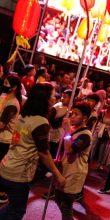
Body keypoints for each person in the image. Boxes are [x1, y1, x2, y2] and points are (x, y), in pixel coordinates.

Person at [0, 83, 65, 220]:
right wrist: (58, 174)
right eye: (53, 95)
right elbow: (44, 153)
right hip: (19, 173)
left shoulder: (24, 114)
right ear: (45, 98)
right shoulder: (41, 122)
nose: (55, 98)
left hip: (7, 165)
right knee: (17, 210)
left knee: (13, 206)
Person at [55, 102, 92, 220]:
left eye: (76, 114)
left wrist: (66, 130)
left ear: (85, 118)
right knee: (57, 198)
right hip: (65, 170)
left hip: (75, 174)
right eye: (72, 113)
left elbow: (69, 150)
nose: (72, 116)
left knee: (66, 206)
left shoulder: (85, 135)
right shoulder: (73, 130)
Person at [0, 74, 22, 204]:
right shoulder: (4, 97)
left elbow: (2, 124)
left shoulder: (13, 104)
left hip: (4, 140)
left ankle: (2, 194)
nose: (5, 85)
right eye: (5, 82)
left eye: (7, 83)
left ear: (14, 87)